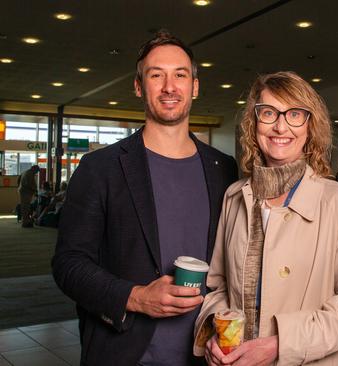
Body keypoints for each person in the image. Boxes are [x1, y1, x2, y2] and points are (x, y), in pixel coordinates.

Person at [52, 30, 238, 366]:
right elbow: (68, 264)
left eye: (180, 75)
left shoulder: (224, 170)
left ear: (195, 86)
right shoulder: (100, 168)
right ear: (139, 87)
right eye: (156, 75)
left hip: (206, 354)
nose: (170, 87)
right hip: (125, 353)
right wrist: (135, 298)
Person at [194, 71, 338, 366]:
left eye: (294, 114)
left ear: (309, 126)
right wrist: (217, 330)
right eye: (268, 113)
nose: (280, 126)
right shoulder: (234, 196)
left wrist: (282, 345)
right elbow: (219, 287)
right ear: (254, 124)